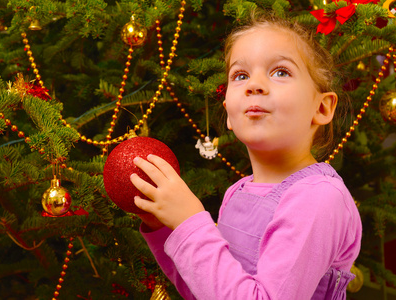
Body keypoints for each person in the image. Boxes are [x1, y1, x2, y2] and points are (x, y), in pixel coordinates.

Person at [129, 12, 362, 300]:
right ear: (228, 111)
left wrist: (190, 221)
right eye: (240, 76)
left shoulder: (319, 199)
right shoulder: (236, 193)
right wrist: (165, 227)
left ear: (322, 108)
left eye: (281, 72)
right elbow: (207, 290)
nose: (255, 85)